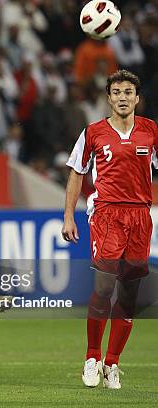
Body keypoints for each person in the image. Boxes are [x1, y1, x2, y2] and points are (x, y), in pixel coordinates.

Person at [61, 70, 158, 389]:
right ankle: (91, 357)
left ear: (137, 98)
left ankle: (112, 363)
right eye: (117, 91)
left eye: (128, 91)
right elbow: (77, 172)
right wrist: (68, 216)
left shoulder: (151, 132)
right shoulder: (93, 133)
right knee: (104, 285)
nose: (123, 97)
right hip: (106, 213)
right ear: (109, 98)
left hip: (141, 216)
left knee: (129, 293)